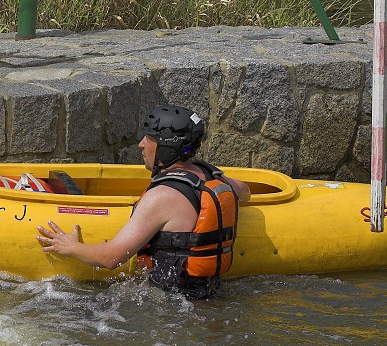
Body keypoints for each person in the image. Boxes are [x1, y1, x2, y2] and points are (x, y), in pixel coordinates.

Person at [37, 105, 251, 299]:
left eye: (149, 138)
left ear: (167, 148)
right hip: (210, 295)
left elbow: (111, 259)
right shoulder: (213, 178)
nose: (140, 144)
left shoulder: (162, 196)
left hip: (173, 306)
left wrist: (71, 246)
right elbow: (245, 192)